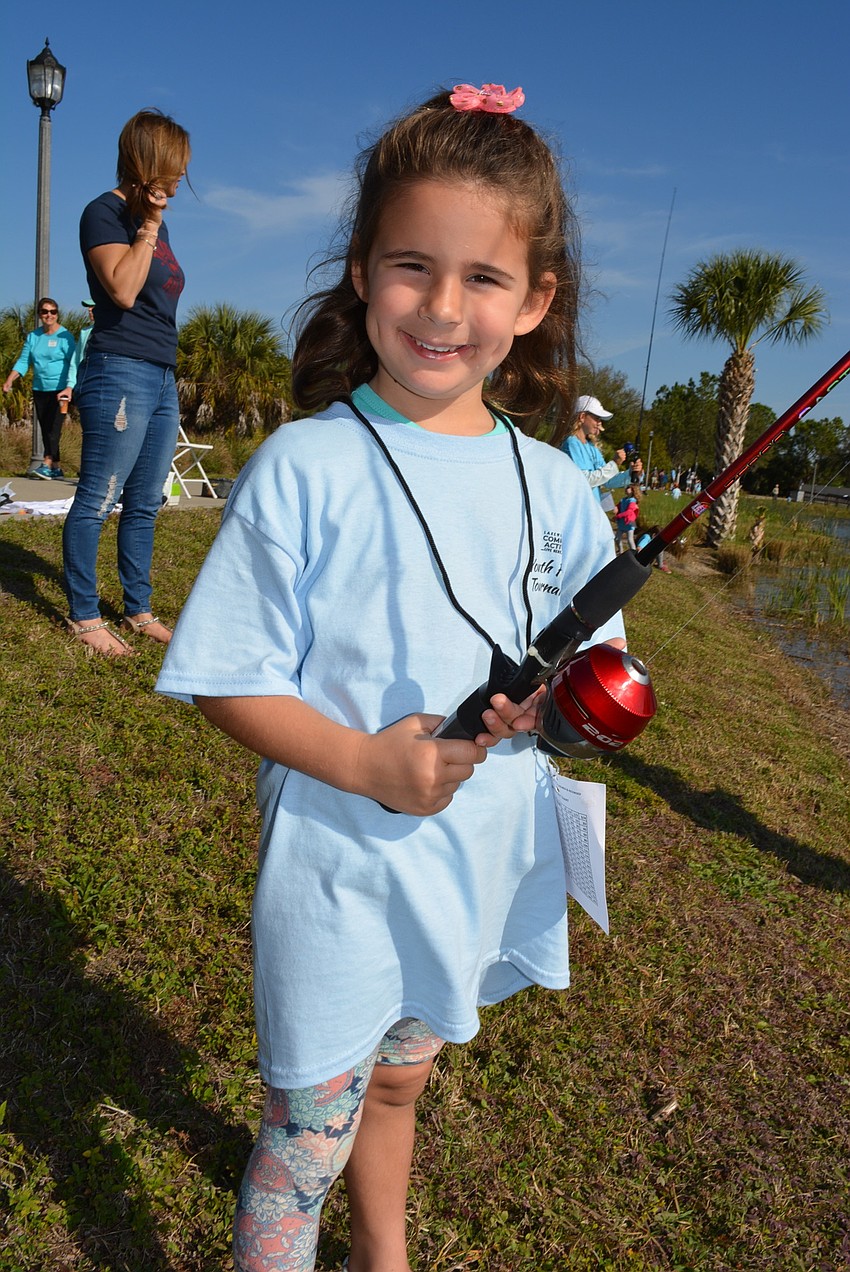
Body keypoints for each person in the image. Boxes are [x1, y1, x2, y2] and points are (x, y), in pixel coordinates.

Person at [156, 82, 627, 1272]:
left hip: (465, 873)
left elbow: (600, 662)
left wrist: (572, 706)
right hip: (335, 876)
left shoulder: (560, 486)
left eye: (483, 279)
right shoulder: (304, 466)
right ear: (362, 270)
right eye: (412, 266)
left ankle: (385, 1255)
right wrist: (367, 761)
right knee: (308, 1126)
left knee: (402, 1085)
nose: (443, 306)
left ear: (534, 302)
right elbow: (224, 678)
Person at [62, 109, 190, 657]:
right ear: (149, 163)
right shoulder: (104, 214)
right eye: (176, 167)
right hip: (120, 369)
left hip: (161, 374)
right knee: (98, 497)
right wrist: (150, 227)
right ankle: (84, 615)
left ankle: (138, 608)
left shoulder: (144, 223)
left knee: (143, 502)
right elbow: (121, 288)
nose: (182, 178)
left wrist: (153, 224)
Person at [3, 298, 76, 479]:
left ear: (57, 314)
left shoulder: (65, 336)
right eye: (45, 312)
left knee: (55, 427)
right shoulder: (34, 337)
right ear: (39, 314)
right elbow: (23, 361)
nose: (49, 315)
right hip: (40, 388)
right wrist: (10, 380)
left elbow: (73, 363)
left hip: (60, 390)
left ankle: (47, 462)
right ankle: (57, 468)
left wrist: (70, 386)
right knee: (45, 428)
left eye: (52, 312)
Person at [562, 395, 642, 507]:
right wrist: (614, 464)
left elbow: (608, 481)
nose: (600, 423)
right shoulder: (571, 443)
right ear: (582, 417)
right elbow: (584, 480)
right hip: (577, 508)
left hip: (591, 510)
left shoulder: (591, 446)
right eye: (597, 418)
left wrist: (630, 473)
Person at [614, 485, 639, 553]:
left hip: (630, 522)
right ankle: (620, 551)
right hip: (622, 522)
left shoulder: (633, 501)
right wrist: (616, 507)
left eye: (628, 488)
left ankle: (634, 553)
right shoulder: (623, 499)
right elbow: (618, 505)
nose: (626, 489)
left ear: (632, 490)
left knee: (630, 540)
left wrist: (619, 515)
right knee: (617, 538)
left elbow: (629, 511)